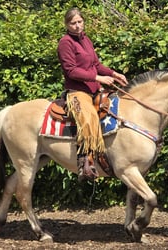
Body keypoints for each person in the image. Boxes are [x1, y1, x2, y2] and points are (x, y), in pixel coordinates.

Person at [57, 7, 128, 181]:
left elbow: (96, 64)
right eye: (73, 23)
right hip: (77, 92)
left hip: (94, 90)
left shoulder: (86, 40)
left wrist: (113, 74)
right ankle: (85, 164)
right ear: (67, 24)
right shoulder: (65, 43)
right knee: (88, 119)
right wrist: (98, 78)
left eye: (79, 22)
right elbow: (71, 71)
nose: (77, 26)